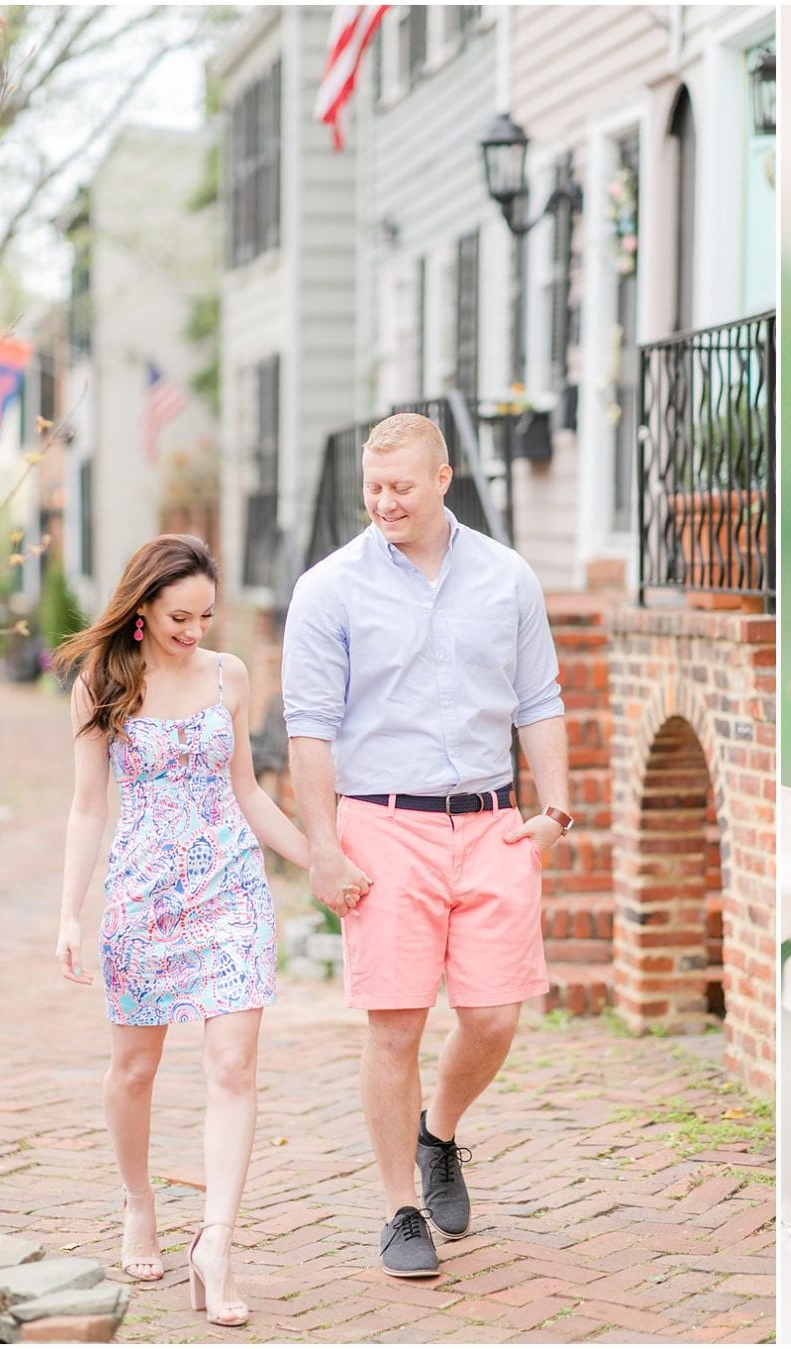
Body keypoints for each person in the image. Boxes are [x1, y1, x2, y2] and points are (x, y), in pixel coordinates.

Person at [282, 413, 571, 1278]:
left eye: (402, 486)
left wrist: (555, 806)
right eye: (373, 488)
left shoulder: (507, 577)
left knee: (492, 1015)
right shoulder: (328, 588)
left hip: (490, 821)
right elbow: (309, 731)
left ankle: (438, 1132)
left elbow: (539, 697)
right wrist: (324, 847)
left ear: (444, 477)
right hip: (382, 821)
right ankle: (398, 1205)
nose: (385, 501)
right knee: (397, 1023)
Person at [53, 534, 310, 1327]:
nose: (194, 629)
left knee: (233, 1065)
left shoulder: (229, 676)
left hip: (232, 889)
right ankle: (139, 1200)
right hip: (144, 895)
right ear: (142, 608)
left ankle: (217, 1243)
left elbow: (249, 792)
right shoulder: (101, 679)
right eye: (178, 616)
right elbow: (89, 803)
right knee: (134, 1071)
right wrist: (69, 909)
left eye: (205, 614)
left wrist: (320, 862)